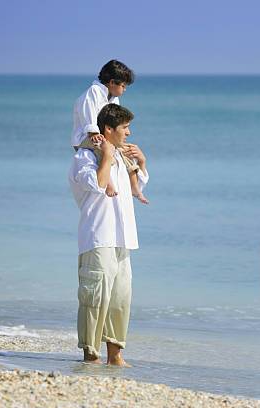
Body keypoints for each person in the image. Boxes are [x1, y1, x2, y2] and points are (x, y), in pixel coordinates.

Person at [68, 103, 148, 366]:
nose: (129, 133)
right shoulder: (85, 157)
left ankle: (116, 356)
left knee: (120, 298)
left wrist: (142, 162)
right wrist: (106, 155)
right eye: (125, 128)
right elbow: (98, 184)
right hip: (98, 237)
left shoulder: (122, 157)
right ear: (108, 129)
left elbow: (138, 187)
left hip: (124, 238)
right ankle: (91, 356)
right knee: (95, 298)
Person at [71, 59, 149, 204]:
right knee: (105, 154)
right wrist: (93, 133)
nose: (124, 90)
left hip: (104, 137)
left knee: (126, 154)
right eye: (123, 86)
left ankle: (135, 188)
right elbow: (87, 113)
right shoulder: (93, 92)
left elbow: (115, 118)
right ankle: (109, 184)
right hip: (86, 138)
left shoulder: (113, 98)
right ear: (112, 82)